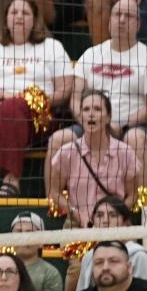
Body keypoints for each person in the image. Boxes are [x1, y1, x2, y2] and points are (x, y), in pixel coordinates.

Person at [0, 0, 76, 199]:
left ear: (35, 20)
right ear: (6, 18)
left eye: (25, 12)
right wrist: (7, 95)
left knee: (12, 107)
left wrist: (34, 99)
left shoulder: (52, 47)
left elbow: (65, 90)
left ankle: (11, 181)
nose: (19, 16)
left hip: (36, 118)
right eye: (14, 12)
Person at [57, 0, 147, 189]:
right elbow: (75, 97)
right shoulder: (90, 55)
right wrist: (89, 122)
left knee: (134, 139)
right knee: (59, 139)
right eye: (117, 14)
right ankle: (63, 209)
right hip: (90, 123)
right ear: (109, 22)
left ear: (138, 24)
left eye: (129, 16)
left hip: (133, 126)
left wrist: (121, 123)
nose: (122, 19)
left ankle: (144, 207)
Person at [45, 90, 140, 226]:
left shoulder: (125, 152)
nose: (91, 114)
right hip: (78, 224)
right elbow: (54, 192)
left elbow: (133, 195)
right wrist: (76, 214)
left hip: (117, 225)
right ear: (81, 116)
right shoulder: (66, 153)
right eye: (86, 109)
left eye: (97, 109)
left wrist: (116, 216)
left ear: (108, 117)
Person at [68, 197, 147, 291]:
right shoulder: (88, 257)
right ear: (93, 221)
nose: (105, 221)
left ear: (125, 222)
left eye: (113, 215)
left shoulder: (139, 256)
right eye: (99, 215)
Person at [8, 211, 67, 291]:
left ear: (41, 241)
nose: (23, 237)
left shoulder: (50, 274)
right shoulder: (0, 268)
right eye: (19, 232)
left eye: (29, 233)